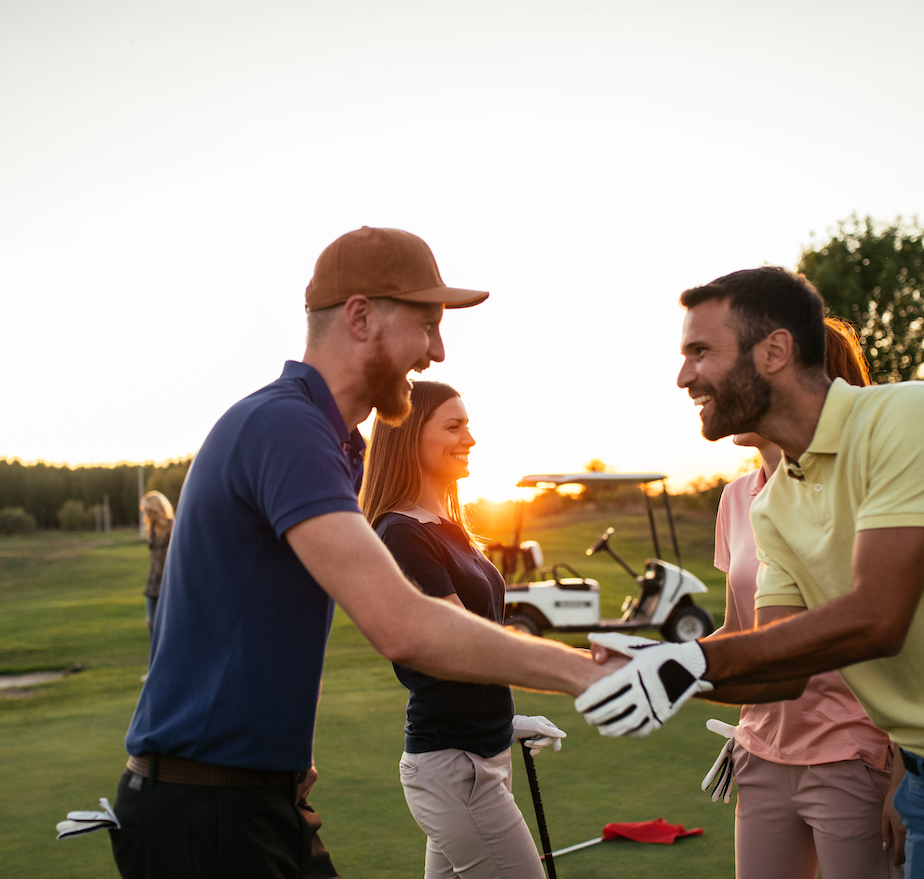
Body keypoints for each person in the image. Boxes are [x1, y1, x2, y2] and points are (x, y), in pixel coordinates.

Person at [110, 227, 615, 879]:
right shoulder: (285, 427)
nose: (437, 349)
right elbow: (403, 624)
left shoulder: (329, 442)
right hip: (204, 814)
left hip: (250, 798)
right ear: (359, 316)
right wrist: (580, 671)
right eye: (426, 324)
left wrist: (282, 759)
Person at [576, 266, 924, 877]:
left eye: (700, 352)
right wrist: (655, 662)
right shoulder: (772, 505)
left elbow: (877, 619)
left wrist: (690, 665)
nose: (683, 375)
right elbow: (778, 668)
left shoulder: (907, 416)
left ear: (774, 350)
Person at [706, 317, 902, 879]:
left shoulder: (864, 493)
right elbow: (740, 631)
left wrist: (904, 773)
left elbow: (900, 640)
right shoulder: (736, 499)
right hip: (761, 752)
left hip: (852, 754)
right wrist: (656, 663)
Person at [361, 379, 566, 879]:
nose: (469, 439)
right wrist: (580, 670)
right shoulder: (401, 533)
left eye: (468, 426)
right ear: (409, 437)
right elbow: (462, 647)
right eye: (453, 426)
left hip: (478, 758)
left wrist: (506, 720)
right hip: (456, 770)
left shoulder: (447, 527)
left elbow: (472, 658)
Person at [138, 490, 174, 635]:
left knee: (166, 629)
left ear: (157, 510)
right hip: (152, 585)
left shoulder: (171, 526)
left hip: (168, 584)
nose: (146, 514)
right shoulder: (151, 529)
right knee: (151, 625)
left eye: (149, 510)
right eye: (145, 511)